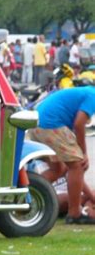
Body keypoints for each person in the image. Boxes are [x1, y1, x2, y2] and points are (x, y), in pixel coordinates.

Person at [29, 86, 95, 224]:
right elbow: (79, 124)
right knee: (77, 164)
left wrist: (91, 196)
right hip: (50, 124)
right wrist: (83, 153)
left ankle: (26, 198)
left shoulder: (86, 92)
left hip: (37, 124)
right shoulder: (92, 95)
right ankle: (74, 213)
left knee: (59, 169)